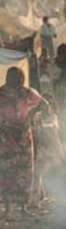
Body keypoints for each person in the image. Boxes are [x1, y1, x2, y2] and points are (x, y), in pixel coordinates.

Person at [0, 67, 44, 214]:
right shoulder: (1, 93)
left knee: (24, 171)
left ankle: (22, 206)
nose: (17, 81)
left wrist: (30, 117)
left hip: (23, 136)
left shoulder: (27, 93)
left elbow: (43, 104)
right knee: (7, 171)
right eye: (15, 77)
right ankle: (7, 206)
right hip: (6, 137)